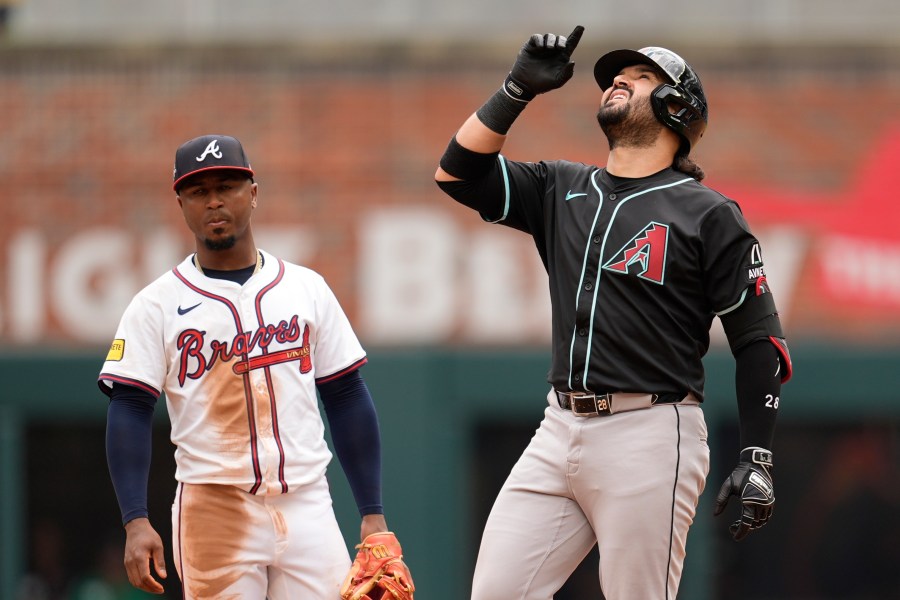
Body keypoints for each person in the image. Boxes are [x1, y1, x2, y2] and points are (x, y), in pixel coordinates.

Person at [434, 26, 792, 599]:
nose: (620, 80)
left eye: (642, 76)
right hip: (558, 426)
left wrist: (758, 455)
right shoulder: (561, 186)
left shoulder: (708, 212)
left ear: (679, 107)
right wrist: (515, 90)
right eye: (616, 76)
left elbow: (758, 340)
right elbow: (457, 173)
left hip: (649, 429)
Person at [99, 135, 408, 598]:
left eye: (227, 185)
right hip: (212, 507)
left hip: (308, 501)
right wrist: (135, 519)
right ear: (181, 203)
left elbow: (346, 395)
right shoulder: (155, 305)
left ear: (254, 193)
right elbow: (129, 409)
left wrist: (372, 511)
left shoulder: (306, 288)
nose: (215, 201)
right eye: (199, 191)